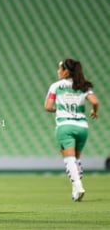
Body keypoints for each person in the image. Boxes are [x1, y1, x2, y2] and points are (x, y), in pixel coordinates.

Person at [45, 58, 99, 202]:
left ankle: (79, 186)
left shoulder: (56, 86)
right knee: (76, 159)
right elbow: (95, 102)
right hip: (82, 127)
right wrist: (94, 111)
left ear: (66, 71)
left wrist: (58, 110)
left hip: (65, 126)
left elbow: (48, 107)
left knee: (69, 160)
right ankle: (76, 192)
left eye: (59, 69)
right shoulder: (83, 87)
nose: (58, 71)